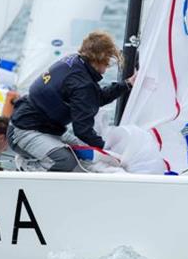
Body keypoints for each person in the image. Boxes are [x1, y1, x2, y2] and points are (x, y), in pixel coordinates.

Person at [8, 31, 136, 172]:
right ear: (100, 59)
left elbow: (95, 97)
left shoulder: (74, 62)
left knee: (84, 152)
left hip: (45, 128)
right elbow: (83, 130)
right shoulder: (81, 83)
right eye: (107, 62)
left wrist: (127, 84)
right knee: (65, 161)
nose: (107, 68)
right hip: (24, 131)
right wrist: (107, 151)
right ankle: (25, 167)